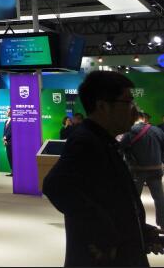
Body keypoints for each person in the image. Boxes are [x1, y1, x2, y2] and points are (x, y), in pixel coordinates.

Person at [43, 71, 164, 266]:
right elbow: (55, 185)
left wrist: (141, 231)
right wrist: (105, 233)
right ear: (102, 106)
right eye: (128, 102)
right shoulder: (85, 141)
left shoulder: (104, 141)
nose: (135, 111)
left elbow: (110, 200)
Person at [120, 110, 164, 228]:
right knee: (159, 198)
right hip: (156, 169)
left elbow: (121, 149)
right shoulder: (158, 131)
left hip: (136, 171)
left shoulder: (129, 132)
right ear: (145, 119)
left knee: (134, 199)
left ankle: (136, 224)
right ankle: (162, 223)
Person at [3, 108, 13, 176]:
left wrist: (6, 137)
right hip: (7, 142)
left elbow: (11, 131)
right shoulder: (6, 121)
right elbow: (4, 131)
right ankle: (12, 171)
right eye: (7, 111)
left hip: (11, 142)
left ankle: (14, 172)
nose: (6, 113)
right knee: (9, 157)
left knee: (12, 157)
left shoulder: (14, 121)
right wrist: (4, 138)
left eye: (8, 111)